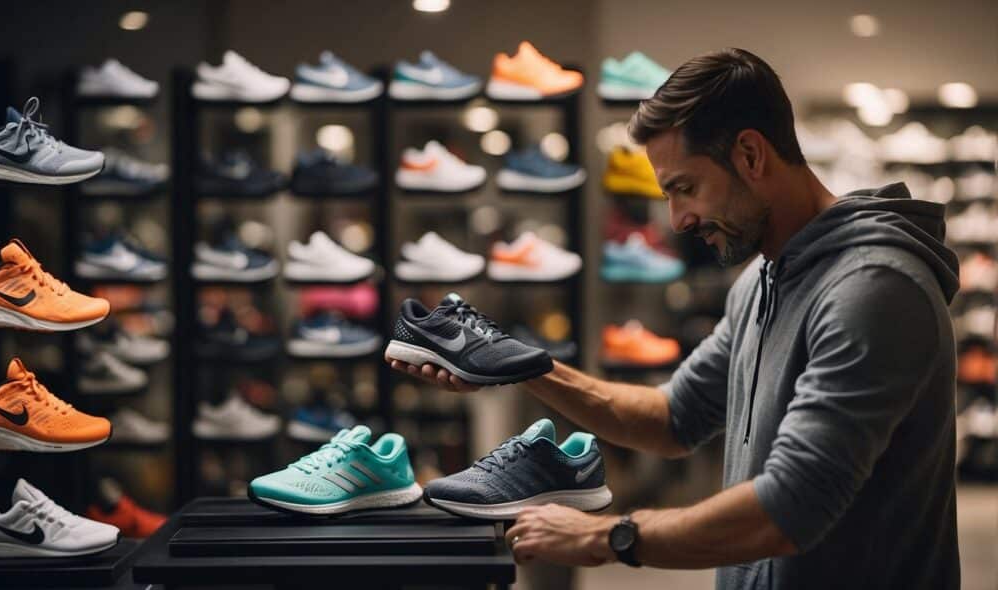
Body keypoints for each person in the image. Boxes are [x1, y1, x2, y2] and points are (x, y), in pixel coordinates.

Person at [386, 48, 960, 590]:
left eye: (685, 188)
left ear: (751, 156)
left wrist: (604, 536)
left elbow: (791, 509)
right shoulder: (761, 281)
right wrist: (518, 366)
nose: (678, 219)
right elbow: (671, 418)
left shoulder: (873, 288)